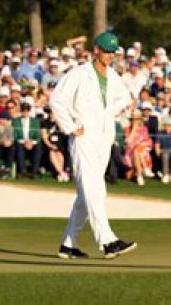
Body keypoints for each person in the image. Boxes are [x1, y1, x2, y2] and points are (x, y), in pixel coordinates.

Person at [49, 31, 136, 259]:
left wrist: (112, 112)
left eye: (113, 52)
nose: (110, 56)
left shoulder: (113, 76)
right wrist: (70, 126)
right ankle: (107, 241)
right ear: (96, 50)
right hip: (83, 137)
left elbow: (125, 98)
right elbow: (56, 100)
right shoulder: (79, 73)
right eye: (107, 51)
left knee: (87, 193)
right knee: (95, 189)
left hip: (104, 137)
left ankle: (68, 244)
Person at [123, 110, 154, 186]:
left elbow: (147, 141)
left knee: (137, 150)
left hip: (142, 150)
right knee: (136, 151)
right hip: (130, 151)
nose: (136, 121)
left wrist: (140, 145)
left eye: (138, 119)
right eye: (134, 119)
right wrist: (134, 129)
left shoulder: (144, 129)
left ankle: (139, 176)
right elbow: (128, 142)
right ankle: (145, 169)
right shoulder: (127, 129)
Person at [12, 102, 42, 178]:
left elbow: (38, 136)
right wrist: (25, 142)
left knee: (38, 148)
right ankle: (22, 171)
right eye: (23, 110)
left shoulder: (35, 121)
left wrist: (31, 142)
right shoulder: (15, 121)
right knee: (19, 147)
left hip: (32, 143)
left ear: (29, 111)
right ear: (21, 111)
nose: (25, 112)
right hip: (21, 142)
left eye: (27, 110)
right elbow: (15, 135)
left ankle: (34, 172)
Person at [40, 107, 70, 182]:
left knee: (59, 153)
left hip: (59, 144)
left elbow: (64, 132)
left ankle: (60, 174)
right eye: (51, 113)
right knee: (52, 152)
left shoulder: (60, 123)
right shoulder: (45, 123)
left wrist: (58, 123)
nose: (52, 115)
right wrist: (50, 145)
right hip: (49, 144)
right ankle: (62, 173)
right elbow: (44, 137)